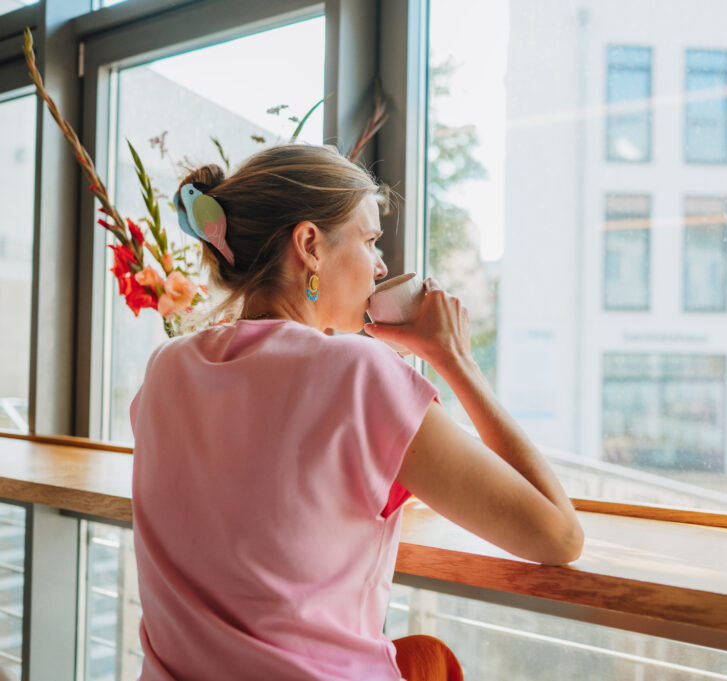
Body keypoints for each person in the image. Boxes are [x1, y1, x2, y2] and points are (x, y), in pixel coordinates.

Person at [129, 143, 584, 681]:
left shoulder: (165, 367)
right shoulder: (357, 371)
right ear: (309, 246)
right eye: (369, 240)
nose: (382, 264)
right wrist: (456, 360)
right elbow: (558, 537)